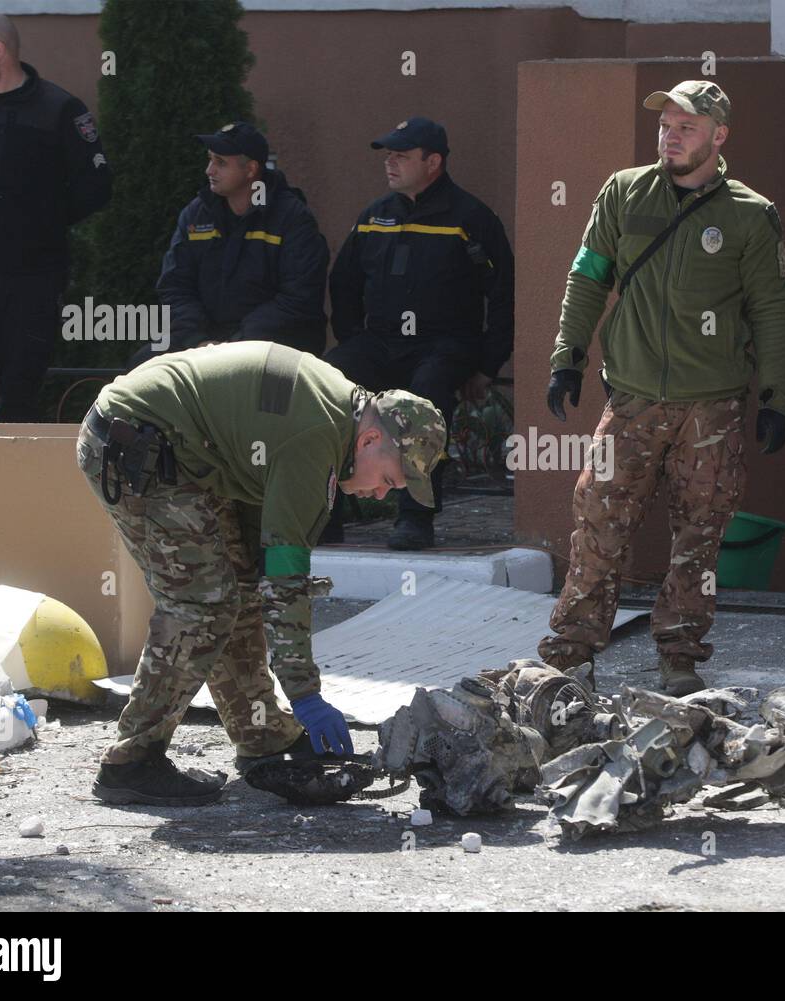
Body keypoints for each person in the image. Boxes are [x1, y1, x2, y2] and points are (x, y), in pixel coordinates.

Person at [74, 340, 446, 806]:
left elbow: (262, 571)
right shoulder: (316, 441)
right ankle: (131, 763)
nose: (379, 495)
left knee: (237, 589)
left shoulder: (336, 417)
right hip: (137, 445)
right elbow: (285, 581)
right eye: (389, 479)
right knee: (202, 604)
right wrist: (306, 695)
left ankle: (263, 737)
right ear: (371, 441)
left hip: (186, 452)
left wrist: (255, 582)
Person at [537, 80, 785, 696]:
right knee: (597, 521)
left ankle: (679, 656)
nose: (670, 136)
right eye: (666, 125)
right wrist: (566, 358)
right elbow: (588, 277)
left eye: (686, 127)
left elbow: (771, 310)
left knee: (698, 538)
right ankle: (570, 653)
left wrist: (776, 396)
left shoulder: (749, 214)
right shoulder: (625, 194)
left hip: (712, 408)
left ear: (718, 136)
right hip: (630, 400)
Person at [322, 117, 514, 550]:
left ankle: (415, 517)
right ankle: (326, 513)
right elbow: (344, 282)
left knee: (425, 396)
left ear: (434, 162)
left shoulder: (470, 218)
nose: (390, 163)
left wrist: (486, 365)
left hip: (443, 343)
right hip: (381, 340)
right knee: (330, 381)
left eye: (401, 156)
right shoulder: (375, 215)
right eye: (388, 155)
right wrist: (354, 338)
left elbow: (502, 295)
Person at [0, 13, 111, 421]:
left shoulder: (58, 108)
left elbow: (96, 186)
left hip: (33, 279)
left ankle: (11, 482)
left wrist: (41, 220)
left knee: (21, 395)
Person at [144, 122, 329, 365]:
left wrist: (237, 343)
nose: (209, 170)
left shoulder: (291, 218)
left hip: (271, 343)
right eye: (210, 160)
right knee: (141, 367)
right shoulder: (196, 214)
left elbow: (298, 299)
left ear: (251, 170)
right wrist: (197, 339)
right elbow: (175, 286)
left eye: (220, 162)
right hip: (202, 341)